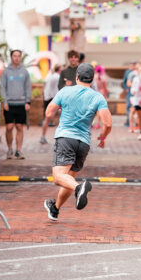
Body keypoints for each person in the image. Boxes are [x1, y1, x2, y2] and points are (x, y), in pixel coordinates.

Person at [43, 63, 112, 221]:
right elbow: (108, 124)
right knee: (69, 177)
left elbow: (48, 113)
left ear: (76, 77)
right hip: (84, 143)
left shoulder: (65, 91)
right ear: (92, 79)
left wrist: (61, 106)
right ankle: (55, 209)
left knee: (58, 177)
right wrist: (102, 137)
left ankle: (79, 188)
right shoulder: (97, 97)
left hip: (66, 138)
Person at [0, 49, 31, 159]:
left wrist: (28, 101)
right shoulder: (6, 72)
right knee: (9, 127)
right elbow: (2, 87)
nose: (16, 58)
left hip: (21, 104)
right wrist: (4, 101)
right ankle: (9, 149)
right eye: (14, 56)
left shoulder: (24, 72)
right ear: (11, 57)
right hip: (9, 104)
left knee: (19, 127)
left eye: (18, 56)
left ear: (20, 57)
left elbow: (28, 87)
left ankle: (18, 151)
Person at [40, 64, 62, 144]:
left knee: (47, 118)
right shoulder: (57, 77)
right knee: (62, 116)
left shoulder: (51, 76)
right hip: (53, 98)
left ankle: (42, 136)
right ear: (59, 70)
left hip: (48, 98)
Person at [122, 62, 136, 127]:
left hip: (136, 92)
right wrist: (126, 88)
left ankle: (136, 121)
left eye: (132, 66)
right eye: (130, 65)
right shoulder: (127, 72)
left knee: (135, 107)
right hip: (129, 92)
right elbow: (124, 82)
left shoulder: (137, 72)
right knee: (128, 106)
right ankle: (128, 121)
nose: (131, 67)